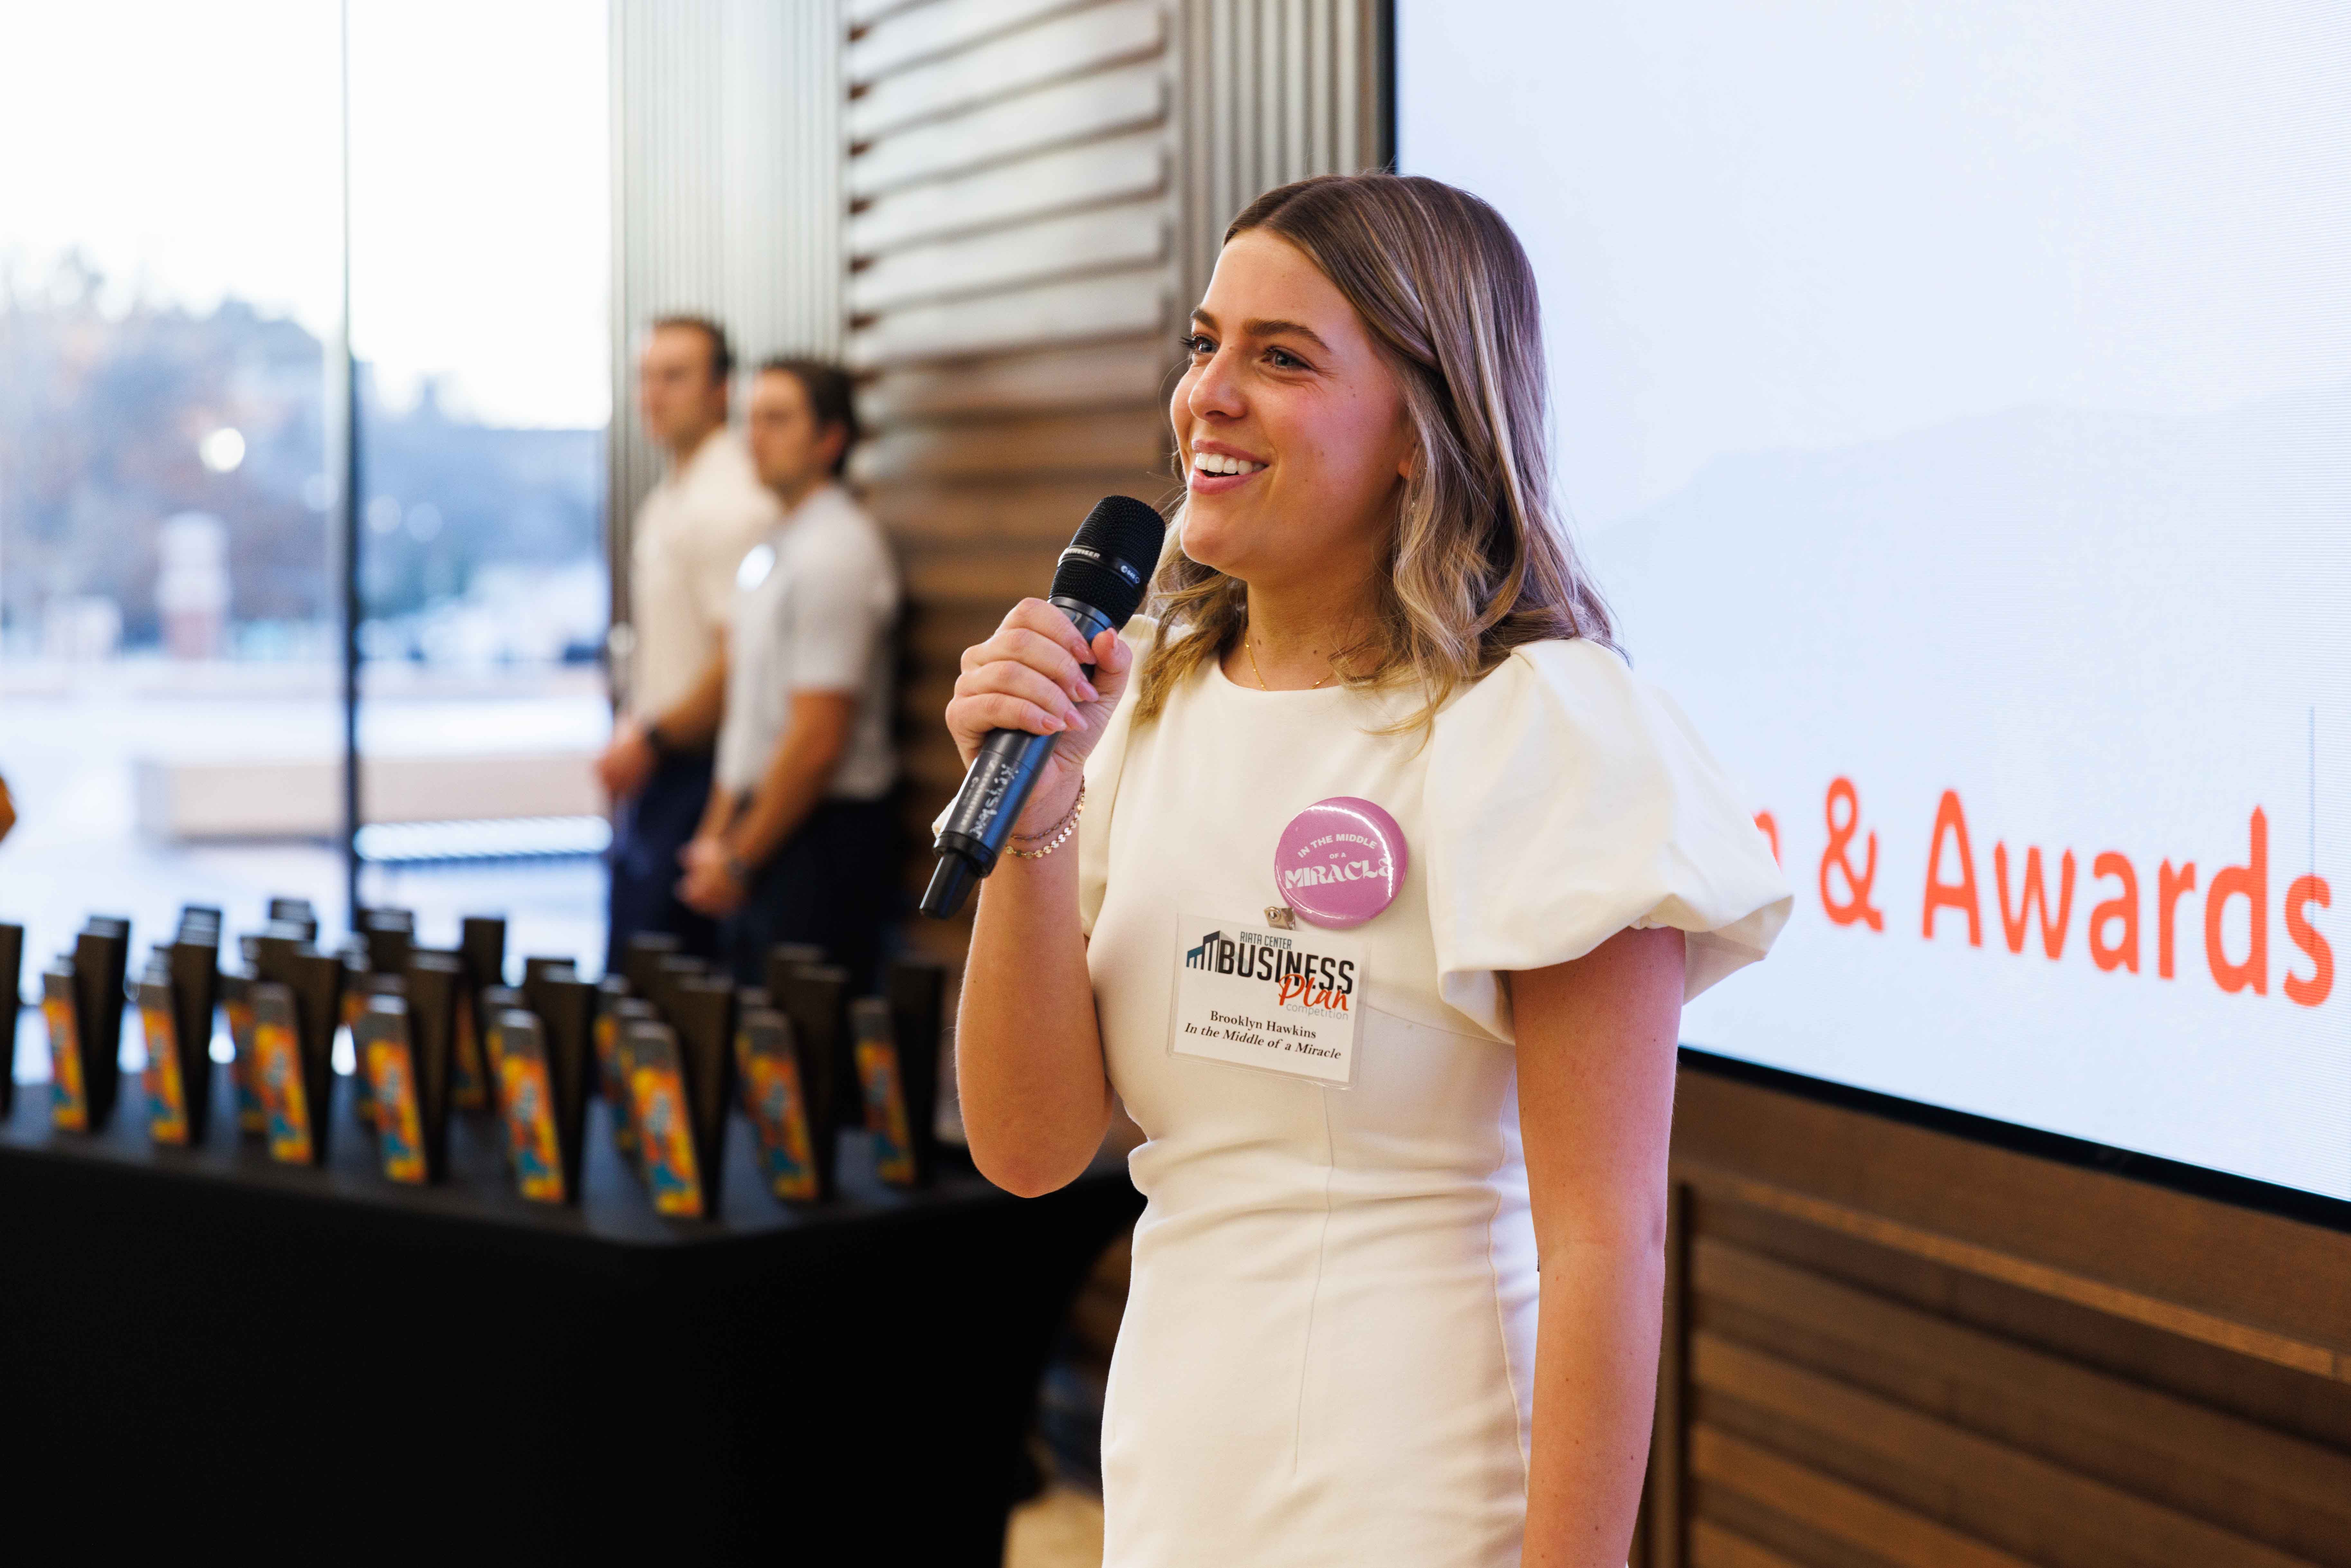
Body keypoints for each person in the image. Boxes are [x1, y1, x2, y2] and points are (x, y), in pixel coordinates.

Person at [946, 174, 1791, 1567]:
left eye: (1282, 359)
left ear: (1424, 428)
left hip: (1428, 1494)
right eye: (1205, 344)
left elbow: (1605, 1246)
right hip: (1179, 1477)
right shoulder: (1142, 689)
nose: (1210, 394)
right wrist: (1035, 814)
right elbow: (1031, 1152)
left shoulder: (1541, 727)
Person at [675, 359, 899, 994]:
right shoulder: (775, 544)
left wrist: (741, 857)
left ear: (830, 439)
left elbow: (817, 737)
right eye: (751, 419)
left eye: (778, 418)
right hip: (766, 829)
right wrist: (715, 836)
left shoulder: (838, 550)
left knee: (806, 1068)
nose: (755, 435)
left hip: (819, 839)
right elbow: (749, 719)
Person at [595, 316, 781, 972]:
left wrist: (651, 740)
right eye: (646, 376)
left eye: (675, 376)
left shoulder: (730, 502)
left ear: (720, 391)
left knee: (661, 984)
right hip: (664, 756)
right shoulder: (677, 492)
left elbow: (741, 658)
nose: (653, 393)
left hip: (698, 769)